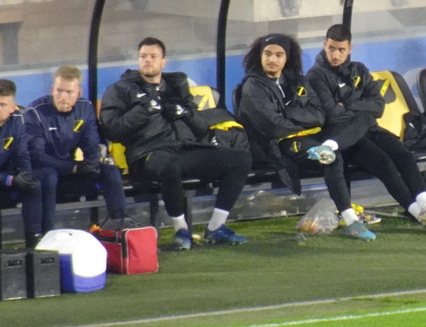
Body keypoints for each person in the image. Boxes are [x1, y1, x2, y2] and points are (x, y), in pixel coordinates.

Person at [100, 38, 252, 251]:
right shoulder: (121, 89)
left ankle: (216, 226)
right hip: (147, 154)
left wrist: (186, 113)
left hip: (184, 148)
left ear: (164, 62)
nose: (147, 61)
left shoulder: (177, 87)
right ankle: (181, 230)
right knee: (169, 165)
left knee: (241, 159)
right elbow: (112, 130)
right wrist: (141, 111)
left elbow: (201, 129)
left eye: (153, 57)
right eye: (143, 56)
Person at [305, 24, 426, 229]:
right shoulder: (315, 76)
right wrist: (360, 108)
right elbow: (333, 114)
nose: (335, 55)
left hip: (369, 128)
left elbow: (378, 106)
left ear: (350, 49)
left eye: (341, 50)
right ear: (324, 46)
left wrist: (347, 105)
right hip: (344, 137)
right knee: (383, 162)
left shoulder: (359, 69)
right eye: (331, 48)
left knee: (402, 153)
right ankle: (418, 214)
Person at [235, 33, 378, 241]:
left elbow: (319, 115)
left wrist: (288, 113)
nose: (272, 59)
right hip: (281, 144)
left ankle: (330, 145)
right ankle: (350, 220)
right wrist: (298, 123)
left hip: (314, 137)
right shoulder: (252, 86)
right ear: (259, 56)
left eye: (278, 55)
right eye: (267, 54)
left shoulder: (297, 81)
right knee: (333, 158)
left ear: (287, 58)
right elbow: (272, 124)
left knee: (363, 119)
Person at [24, 65, 136, 233]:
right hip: (44, 178)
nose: (62, 97)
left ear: (79, 93)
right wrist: (74, 167)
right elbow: (37, 156)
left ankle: (122, 227)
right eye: (59, 91)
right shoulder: (36, 113)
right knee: (49, 175)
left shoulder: (85, 108)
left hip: (70, 175)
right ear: (52, 89)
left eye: (69, 92)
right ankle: (47, 235)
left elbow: (91, 143)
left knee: (109, 171)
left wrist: (91, 163)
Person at [0, 78, 43, 243]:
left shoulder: (18, 120)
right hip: (5, 179)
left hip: (7, 179)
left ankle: (35, 244)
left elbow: (21, 154)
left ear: (13, 108)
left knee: (34, 185)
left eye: (3, 105)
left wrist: (25, 176)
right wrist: (11, 179)